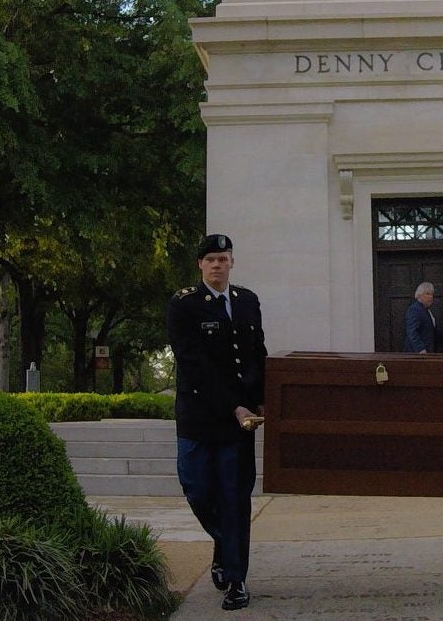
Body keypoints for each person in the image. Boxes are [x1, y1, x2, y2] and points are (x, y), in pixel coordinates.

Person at [167, 234, 267, 611]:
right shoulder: (183, 305)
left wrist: (262, 400)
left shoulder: (248, 301)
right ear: (200, 265)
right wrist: (234, 407)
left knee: (235, 499)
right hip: (198, 418)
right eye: (210, 259)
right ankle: (224, 545)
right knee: (197, 489)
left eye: (223, 259)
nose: (217, 265)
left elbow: (257, 353)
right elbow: (194, 365)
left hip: (238, 425)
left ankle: (237, 580)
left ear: (231, 263)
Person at [404, 281, 439, 353]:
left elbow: (429, 329)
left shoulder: (426, 310)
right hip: (418, 354)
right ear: (419, 295)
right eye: (427, 294)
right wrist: (420, 349)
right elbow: (412, 331)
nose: (431, 297)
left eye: (432, 294)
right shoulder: (415, 309)